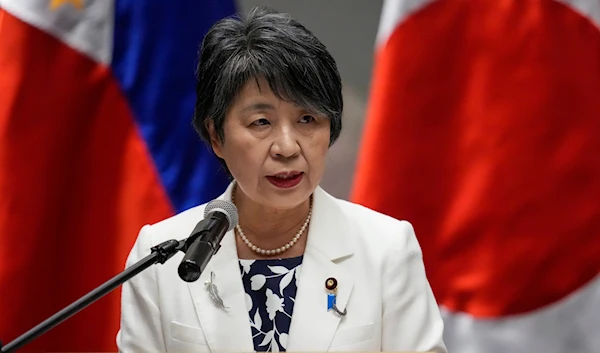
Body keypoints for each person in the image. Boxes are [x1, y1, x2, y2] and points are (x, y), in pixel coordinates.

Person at [116, 6, 446, 353]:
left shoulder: (386, 249)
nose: (288, 147)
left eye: (307, 119)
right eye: (261, 122)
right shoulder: (162, 254)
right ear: (216, 136)